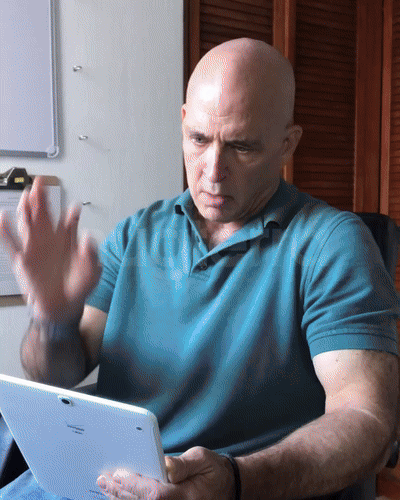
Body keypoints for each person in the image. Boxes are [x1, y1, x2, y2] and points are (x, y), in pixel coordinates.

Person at [0, 37, 399, 500]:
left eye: (242, 147)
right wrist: (51, 321)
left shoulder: (331, 244)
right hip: (102, 482)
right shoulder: (136, 235)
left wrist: (235, 480)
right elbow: (57, 375)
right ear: (184, 121)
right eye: (199, 139)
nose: (212, 171)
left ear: (287, 144)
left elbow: (367, 420)